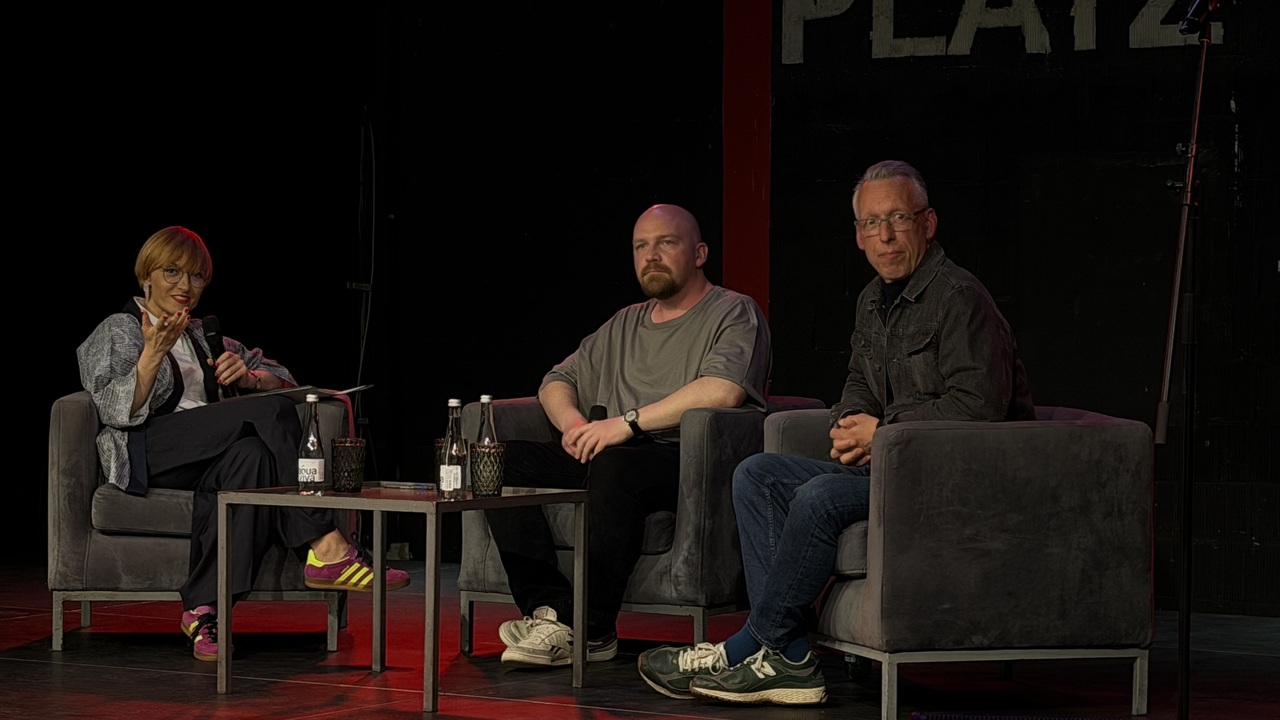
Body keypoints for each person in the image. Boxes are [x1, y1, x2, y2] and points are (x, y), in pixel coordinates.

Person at [637, 160, 1034, 704]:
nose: (885, 235)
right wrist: (851, 423)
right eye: (872, 223)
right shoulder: (872, 300)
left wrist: (883, 431)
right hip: (889, 468)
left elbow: (979, 407)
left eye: (898, 218)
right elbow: (858, 382)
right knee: (756, 474)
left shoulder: (961, 298)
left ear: (928, 223)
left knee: (820, 495)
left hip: (949, 478)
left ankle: (749, 647)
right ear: (858, 235)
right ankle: (792, 657)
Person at [75, 225, 411, 662]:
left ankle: (204, 611)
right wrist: (152, 353)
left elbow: (284, 377)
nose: (185, 285)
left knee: (252, 456)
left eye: (196, 276)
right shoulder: (119, 329)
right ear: (147, 276)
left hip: (205, 455)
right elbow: (113, 409)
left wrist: (252, 377)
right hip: (147, 450)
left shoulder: (205, 334)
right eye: (172, 272)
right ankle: (325, 544)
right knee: (267, 412)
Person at [488, 203, 773, 668]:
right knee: (498, 462)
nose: (651, 255)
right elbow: (556, 380)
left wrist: (628, 422)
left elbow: (722, 389)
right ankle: (551, 612)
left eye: (666, 243)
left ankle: (593, 630)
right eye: (641, 246)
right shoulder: (625, 322)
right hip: (613, 453)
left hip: (683, 459)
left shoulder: (733, 311)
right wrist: (574, 425)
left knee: (615, 464)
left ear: (699, 253)